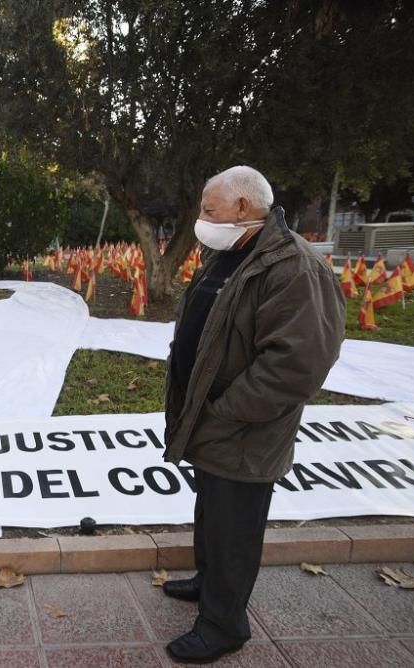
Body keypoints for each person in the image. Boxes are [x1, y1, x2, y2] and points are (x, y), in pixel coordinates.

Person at [162, 166, 345, 662]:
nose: (201, 218)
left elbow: (296, 365)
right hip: (210, 416)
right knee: (212, 510)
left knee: (235, 524)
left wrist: (226, 410)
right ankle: (209, 583)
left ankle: (224, 625)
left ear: (243, 208)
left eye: (208, 209)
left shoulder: (294, 267)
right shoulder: (230, 251)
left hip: (242, 426)